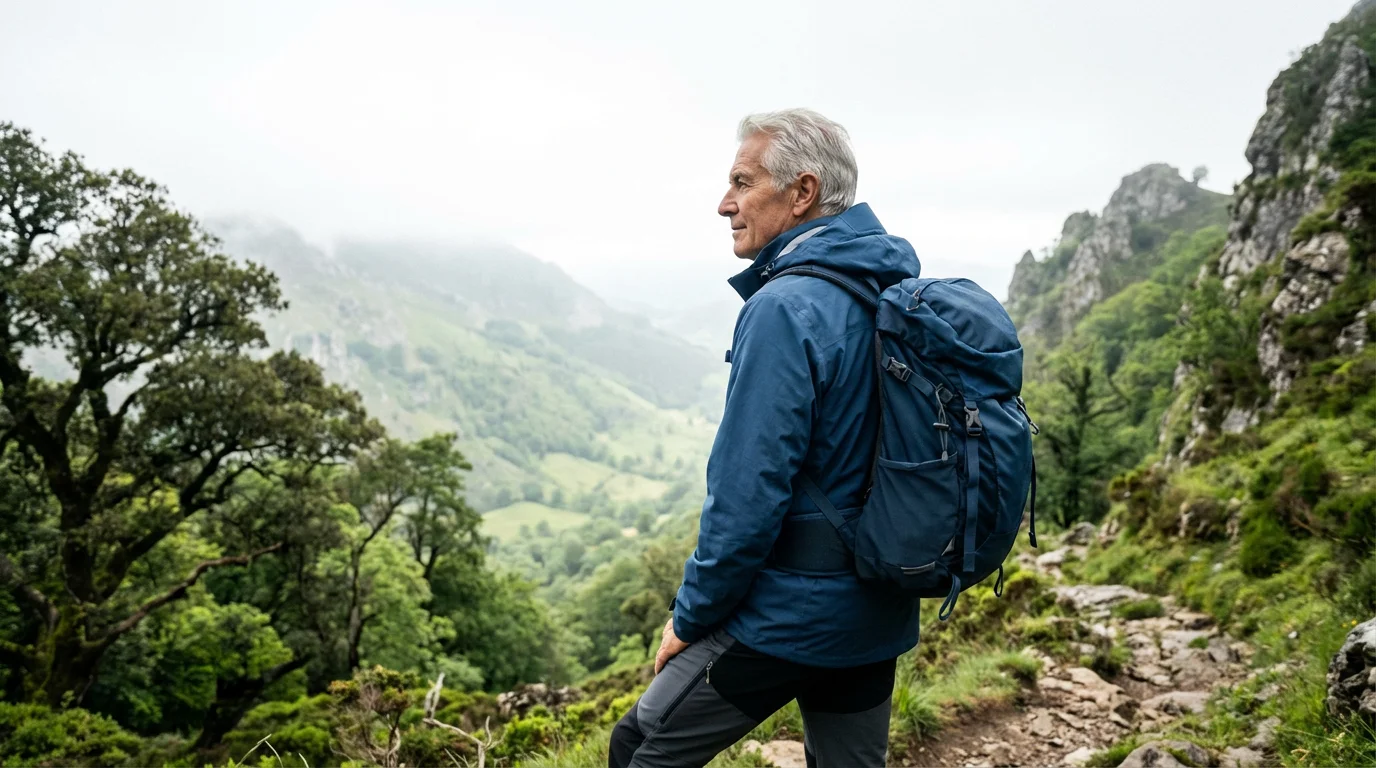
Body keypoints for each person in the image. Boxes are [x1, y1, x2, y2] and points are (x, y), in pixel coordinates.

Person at [608, 109, 923, 768]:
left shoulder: (783, 308)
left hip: (791, 619)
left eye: (742, 182)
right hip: (877, 614)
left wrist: (688, 619)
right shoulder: (891, 290)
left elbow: (745, 498)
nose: (724, 204)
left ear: (802, 192)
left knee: (639, 746)